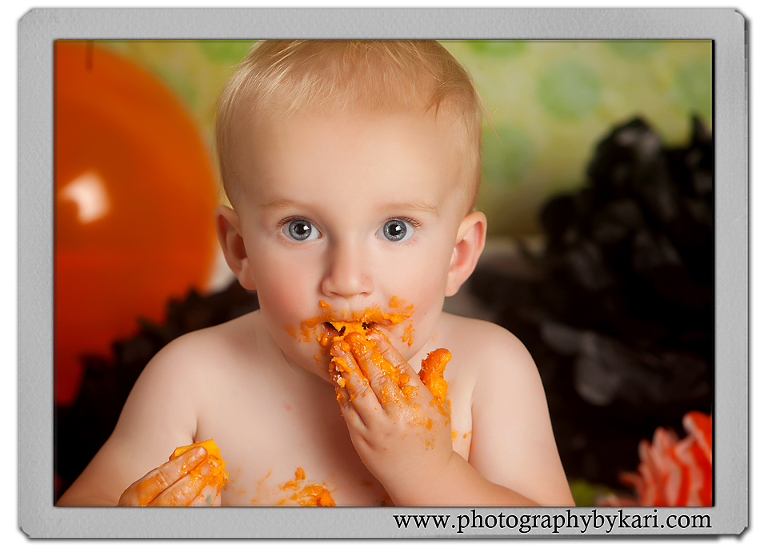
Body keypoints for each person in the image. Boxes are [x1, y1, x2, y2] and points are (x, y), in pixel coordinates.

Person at [57, 40, 574, 507]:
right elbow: (79, 514)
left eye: (395, 229)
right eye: (301, 229)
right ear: (240, 249)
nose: (347, 280)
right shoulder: (190, 380)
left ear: (458, 255)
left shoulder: (491, 373)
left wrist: (432, 474)